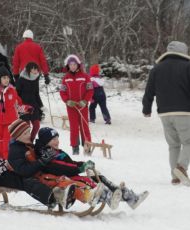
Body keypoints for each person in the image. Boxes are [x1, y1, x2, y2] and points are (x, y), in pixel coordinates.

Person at [34, 127, 149, 210]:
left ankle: (130, 198)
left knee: (100, 178)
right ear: (45, 141)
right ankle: (110, 197)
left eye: (57, 138)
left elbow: (71, 163)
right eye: (53, 139)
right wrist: (80, 168)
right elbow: (59, 168)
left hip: (71, 175)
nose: (57, 141)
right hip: (63, 179)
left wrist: (84, 164)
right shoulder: (45, 155)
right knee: (90, 182)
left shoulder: (57, 152)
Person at [0, 126, 74, 209]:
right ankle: (53, 198)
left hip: (2, 171)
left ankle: (57, 194)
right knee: (24, 181)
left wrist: (5, 163)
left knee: (27, 176)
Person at [142, 41, 190, 186]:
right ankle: (181, 167)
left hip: (164, 113)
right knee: (188, 142)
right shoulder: (188, 66)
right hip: (184, 112)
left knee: (173, 145)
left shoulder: (157, 68)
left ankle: (175, 177)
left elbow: (149, 90)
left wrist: (146, 108)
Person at [7, 119, 76, 209]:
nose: (29, 135)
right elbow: (24, 171)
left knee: (55, 175)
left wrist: (45, 157)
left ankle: (72, 191)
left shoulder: (26, 145)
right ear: (17, 137)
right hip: (23, 177)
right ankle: (52, 199)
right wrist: (42, 161)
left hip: (36, 173)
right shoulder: (15, 151)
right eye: (25, 134)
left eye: (29, 132)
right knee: (31, 182)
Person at [12, 29, 50, 120]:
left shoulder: (19, 47)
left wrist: (16, 74)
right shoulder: (38, 47)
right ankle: (38, 112)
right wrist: (46, 74)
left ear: (24, 37)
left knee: (21, 94)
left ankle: (23, 112)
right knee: (34, 92)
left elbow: (16, 62)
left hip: (23, 74)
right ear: (32, 37)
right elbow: (43, 61)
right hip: (35, 74)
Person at [60, 54, 94, 155]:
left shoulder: (85, 77)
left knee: (84, 126)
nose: (73, 66)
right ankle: (75, 147)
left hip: (82, 105)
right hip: (71, 106)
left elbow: (90, 90)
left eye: (74, 64)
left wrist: (85, 100)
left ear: (78, 65)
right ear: (68, 66)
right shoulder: (66, 78)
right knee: (74, 127)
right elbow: (62, 92)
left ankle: (87, 146)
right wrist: (67, 101)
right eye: (71, 64)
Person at [16, 62, 41, 141]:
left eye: (36, 69)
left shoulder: (36, 79)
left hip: (34, 106)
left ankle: (31, 141)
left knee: (36, 125)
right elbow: (17, 93)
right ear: (28, 70)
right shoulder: (21, 79)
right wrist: (18, 106)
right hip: (24, 106)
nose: (35, 71)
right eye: (33, 69)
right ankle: (25, 143)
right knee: (26, 127)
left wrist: (41, 106)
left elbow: (37, 93)